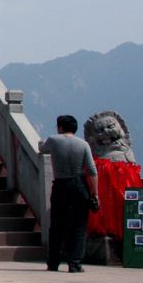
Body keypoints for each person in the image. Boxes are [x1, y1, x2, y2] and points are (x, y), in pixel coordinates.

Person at [39, 115, 100, 273]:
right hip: (80, 185)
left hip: (61, 185)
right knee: (79, 226)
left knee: (57, 225)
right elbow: (92, 170)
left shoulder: (53, 140)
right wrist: (95, 194)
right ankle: (75, 264)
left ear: (60, 127)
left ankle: (53, 263)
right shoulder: (83, 144)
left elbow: (42, 148)